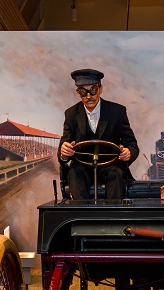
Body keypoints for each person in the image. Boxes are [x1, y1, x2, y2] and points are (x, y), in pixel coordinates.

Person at [58, 68, 139, 201]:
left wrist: (128, 153)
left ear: (100, 89)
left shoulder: (117, 112)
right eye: (83, 92)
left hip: (110, 165)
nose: (88, 96)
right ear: (78, 93)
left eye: (93, 90)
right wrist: (64, 152)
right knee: (74, 173)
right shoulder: (71, 114)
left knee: (116, 174)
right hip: (81, 167)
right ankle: (82, 220)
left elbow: (132, 144)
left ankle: (112, 220)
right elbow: (64, 147)